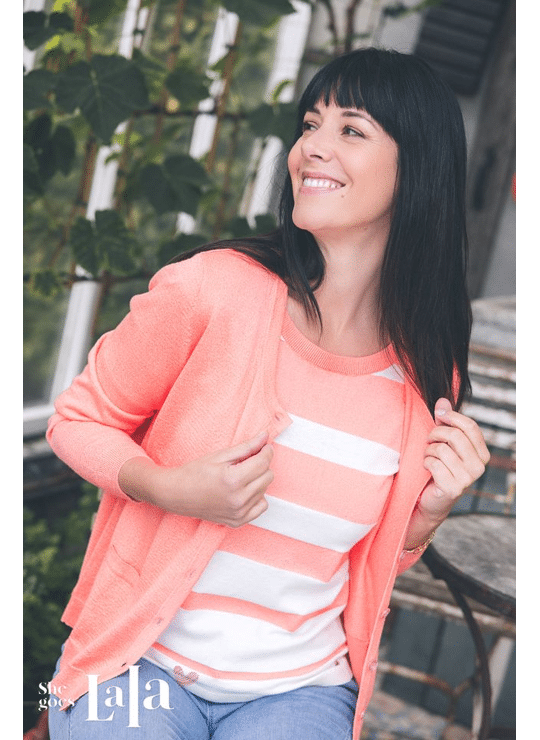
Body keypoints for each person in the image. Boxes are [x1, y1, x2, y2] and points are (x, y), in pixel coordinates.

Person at [46, 47, 490, 740]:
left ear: (418, 169)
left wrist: (427, 513)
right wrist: (165, 486)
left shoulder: (427, 372)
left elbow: (361, 555)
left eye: (351, 129)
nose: (312, 147)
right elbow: (77, 419)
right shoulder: (213, 288)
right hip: (137, 665)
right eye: (311, 124)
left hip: (298, 690)